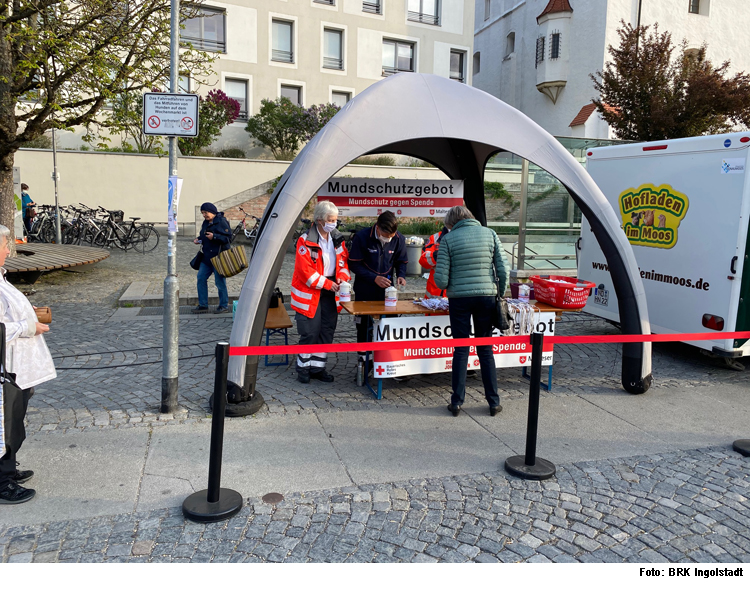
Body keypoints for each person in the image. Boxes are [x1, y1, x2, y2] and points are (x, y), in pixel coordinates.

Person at [434, 206, 509, 417]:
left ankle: (456, 402)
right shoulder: (490, 233)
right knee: (485, 349)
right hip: (486, 297)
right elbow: (502, 268)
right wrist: (499, 293)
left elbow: (441, 280)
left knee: (461, 349)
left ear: (452, 223)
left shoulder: (448, 239)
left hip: (459, 299)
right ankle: (494, 402)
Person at [0, 224, 56, 504]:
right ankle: (2, 481)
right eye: (5, 245)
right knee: (6, 422)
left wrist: (28, 312)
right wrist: (27, 326)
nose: (9, 250)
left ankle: (8, 468)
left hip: (17, 366)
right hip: (6, 368)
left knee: (15, 419)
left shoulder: (1, 277)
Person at [290, 201, 350, 383]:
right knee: (309, 331)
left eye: (336, 220)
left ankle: (318, 367)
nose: (334, 223)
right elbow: (305, 272)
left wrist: (341, 277)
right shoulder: (305, 240)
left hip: (331, 290)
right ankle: (303, 368)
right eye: (330, 220)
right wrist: (327, 283)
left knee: (326, 330)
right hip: (311, 292)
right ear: (319, 220)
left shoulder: (337, 239)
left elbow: (343, 263)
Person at [348, 211, 408, 346]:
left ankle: (386, 358)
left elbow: (401, 261)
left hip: (387, 291)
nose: (389, 239)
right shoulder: (362, 237)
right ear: (378, 227)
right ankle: (363, 358)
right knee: (363, 325)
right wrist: (374, 278)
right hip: (364, 289)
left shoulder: (399, 238)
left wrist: (401, 275)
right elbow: (353, 264)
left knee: (389, 324)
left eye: (392, 236)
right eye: (386, 236)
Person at [192, 202, 232, 314]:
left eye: (206, 212)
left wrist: (214, 237)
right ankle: (203, 305)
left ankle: (223, 305)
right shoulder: (205, 223)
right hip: (206, 258)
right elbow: (204, 234)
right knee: (200, 278)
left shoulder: (221, 221)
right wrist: (199, 239)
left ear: (212, 211)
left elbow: (228, 238)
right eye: (202, 213)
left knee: (220, 282)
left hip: (218, 258)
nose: (204, 215)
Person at [419, 224, 449, 298]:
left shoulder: (464, 238)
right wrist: (437, 255)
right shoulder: (435, 238)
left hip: (454, 295)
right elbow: (423, 260)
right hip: (434, 295)